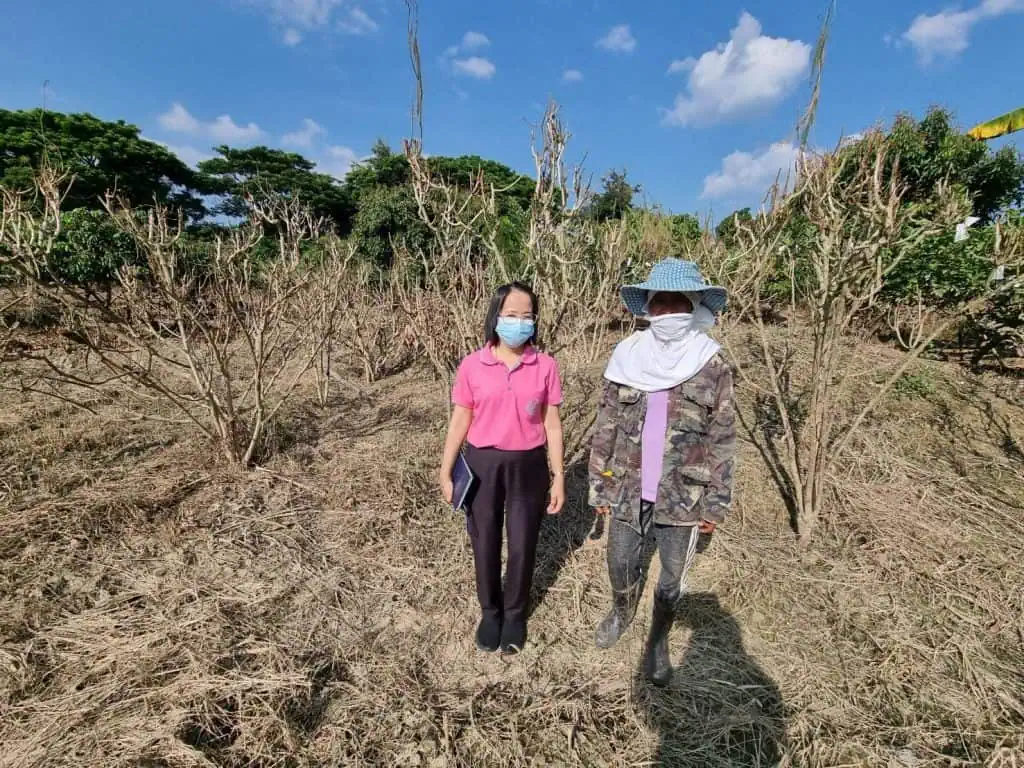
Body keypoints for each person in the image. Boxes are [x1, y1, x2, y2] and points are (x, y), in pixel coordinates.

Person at [589, 258, 736, 685]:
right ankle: (621, 610)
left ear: (692, 308)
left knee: (672, 579)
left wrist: (717, 501)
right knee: (619, 562)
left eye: (677, 304)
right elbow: (606, 425)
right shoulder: (626, 357)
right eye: (660, 304)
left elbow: (723, 436)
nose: (668, 313)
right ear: (648, 308)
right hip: (627, 486)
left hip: (685, 493)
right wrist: (600, 485)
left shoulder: (711, 364)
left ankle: (658, 637)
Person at [440, 282, 566, 654]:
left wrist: (558, 475)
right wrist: (445, 469)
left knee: (523, 541)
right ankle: (490, 611)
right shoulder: (472, 365)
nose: (519, 323)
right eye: (511, 315)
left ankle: (514, 614)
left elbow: (552, 424)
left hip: (528, 464)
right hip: (482, 463)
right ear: (495, 317)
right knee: (485, 539)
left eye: (527, 316)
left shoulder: (544, 366)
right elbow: (460, 419)